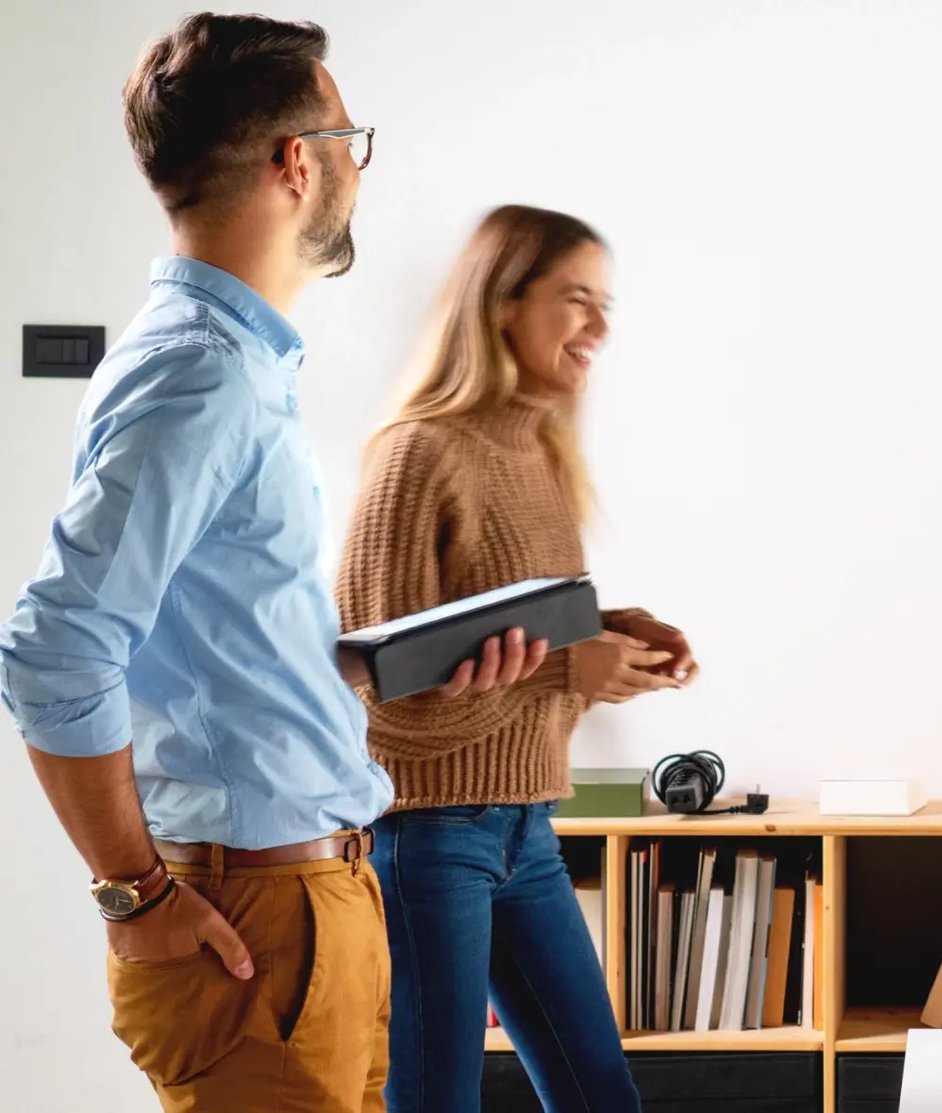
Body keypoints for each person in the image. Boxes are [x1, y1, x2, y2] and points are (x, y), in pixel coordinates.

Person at [0, 14, 540, 1111]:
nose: (357, 167)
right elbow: (52, 649)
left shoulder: (228, 367)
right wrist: (134, 893)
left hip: (315, 902)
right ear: (298, 162)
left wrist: (381, 665)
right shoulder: (205, 377)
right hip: (258, 920)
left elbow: (203, 650)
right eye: (353, 139)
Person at [335, 204, 700, 1113]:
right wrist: (567, 666)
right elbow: (372, 696)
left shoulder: (540, 455)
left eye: (605, 303)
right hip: (426, 838)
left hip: (527, 831)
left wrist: (617, 636)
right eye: (577, 299)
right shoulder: (418, 455)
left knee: (600, 1093)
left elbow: (503, 642)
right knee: (434, 1099)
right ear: (503, 301)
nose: (601, 328)